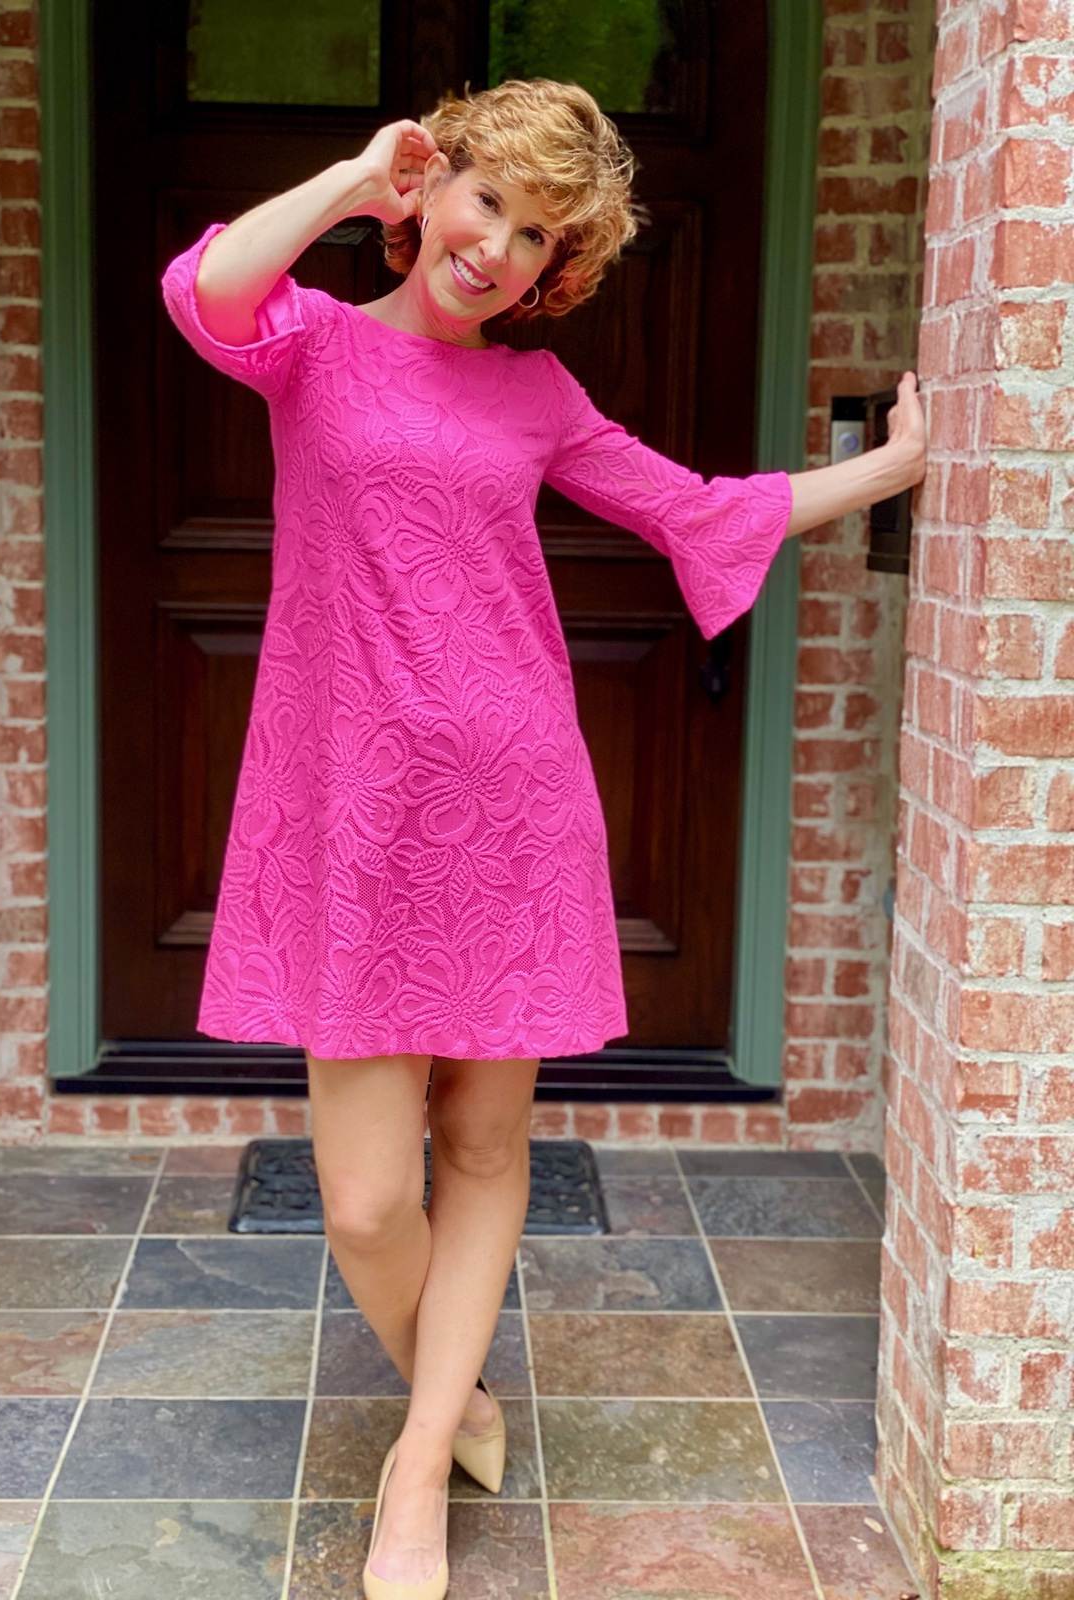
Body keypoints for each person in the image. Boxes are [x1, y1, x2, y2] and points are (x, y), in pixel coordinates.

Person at [160, 76, 927, 1600]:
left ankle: (414, 1467)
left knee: (486, 1147)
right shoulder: (310, 347)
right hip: (353, 815)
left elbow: (700, 510)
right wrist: (350, 175)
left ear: (556, 269)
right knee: (371, 1197)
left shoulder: (538, 396)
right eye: (486, 203)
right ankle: (459, 1398)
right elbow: (206, 287)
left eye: (538, 236)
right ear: (431, 194)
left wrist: (893, 470)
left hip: (510, 806)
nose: (498, 248)